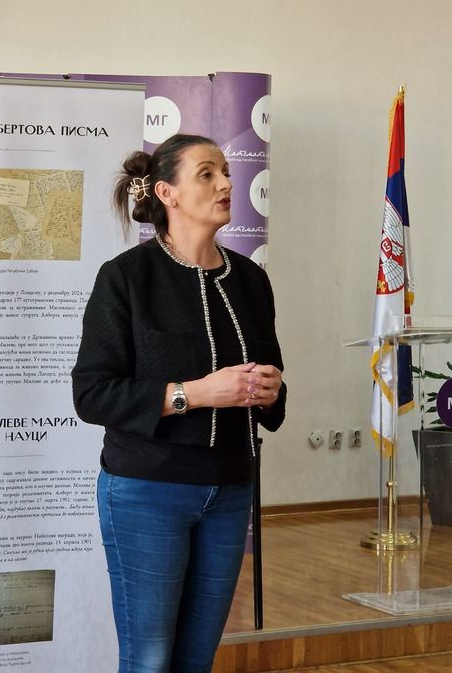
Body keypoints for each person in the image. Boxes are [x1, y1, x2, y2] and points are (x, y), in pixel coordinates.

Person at [72, 133, 286, 673]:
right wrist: (196, 393)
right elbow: (92, 393)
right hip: (147, 492)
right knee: (149, 661)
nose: (226, 183)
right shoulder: (125, 277)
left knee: (196, 660)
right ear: (166, 193)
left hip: (231, 491)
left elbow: (272, 383)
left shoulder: (252, 280)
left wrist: (270, 391)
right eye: (207, 174)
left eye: (226, 172)